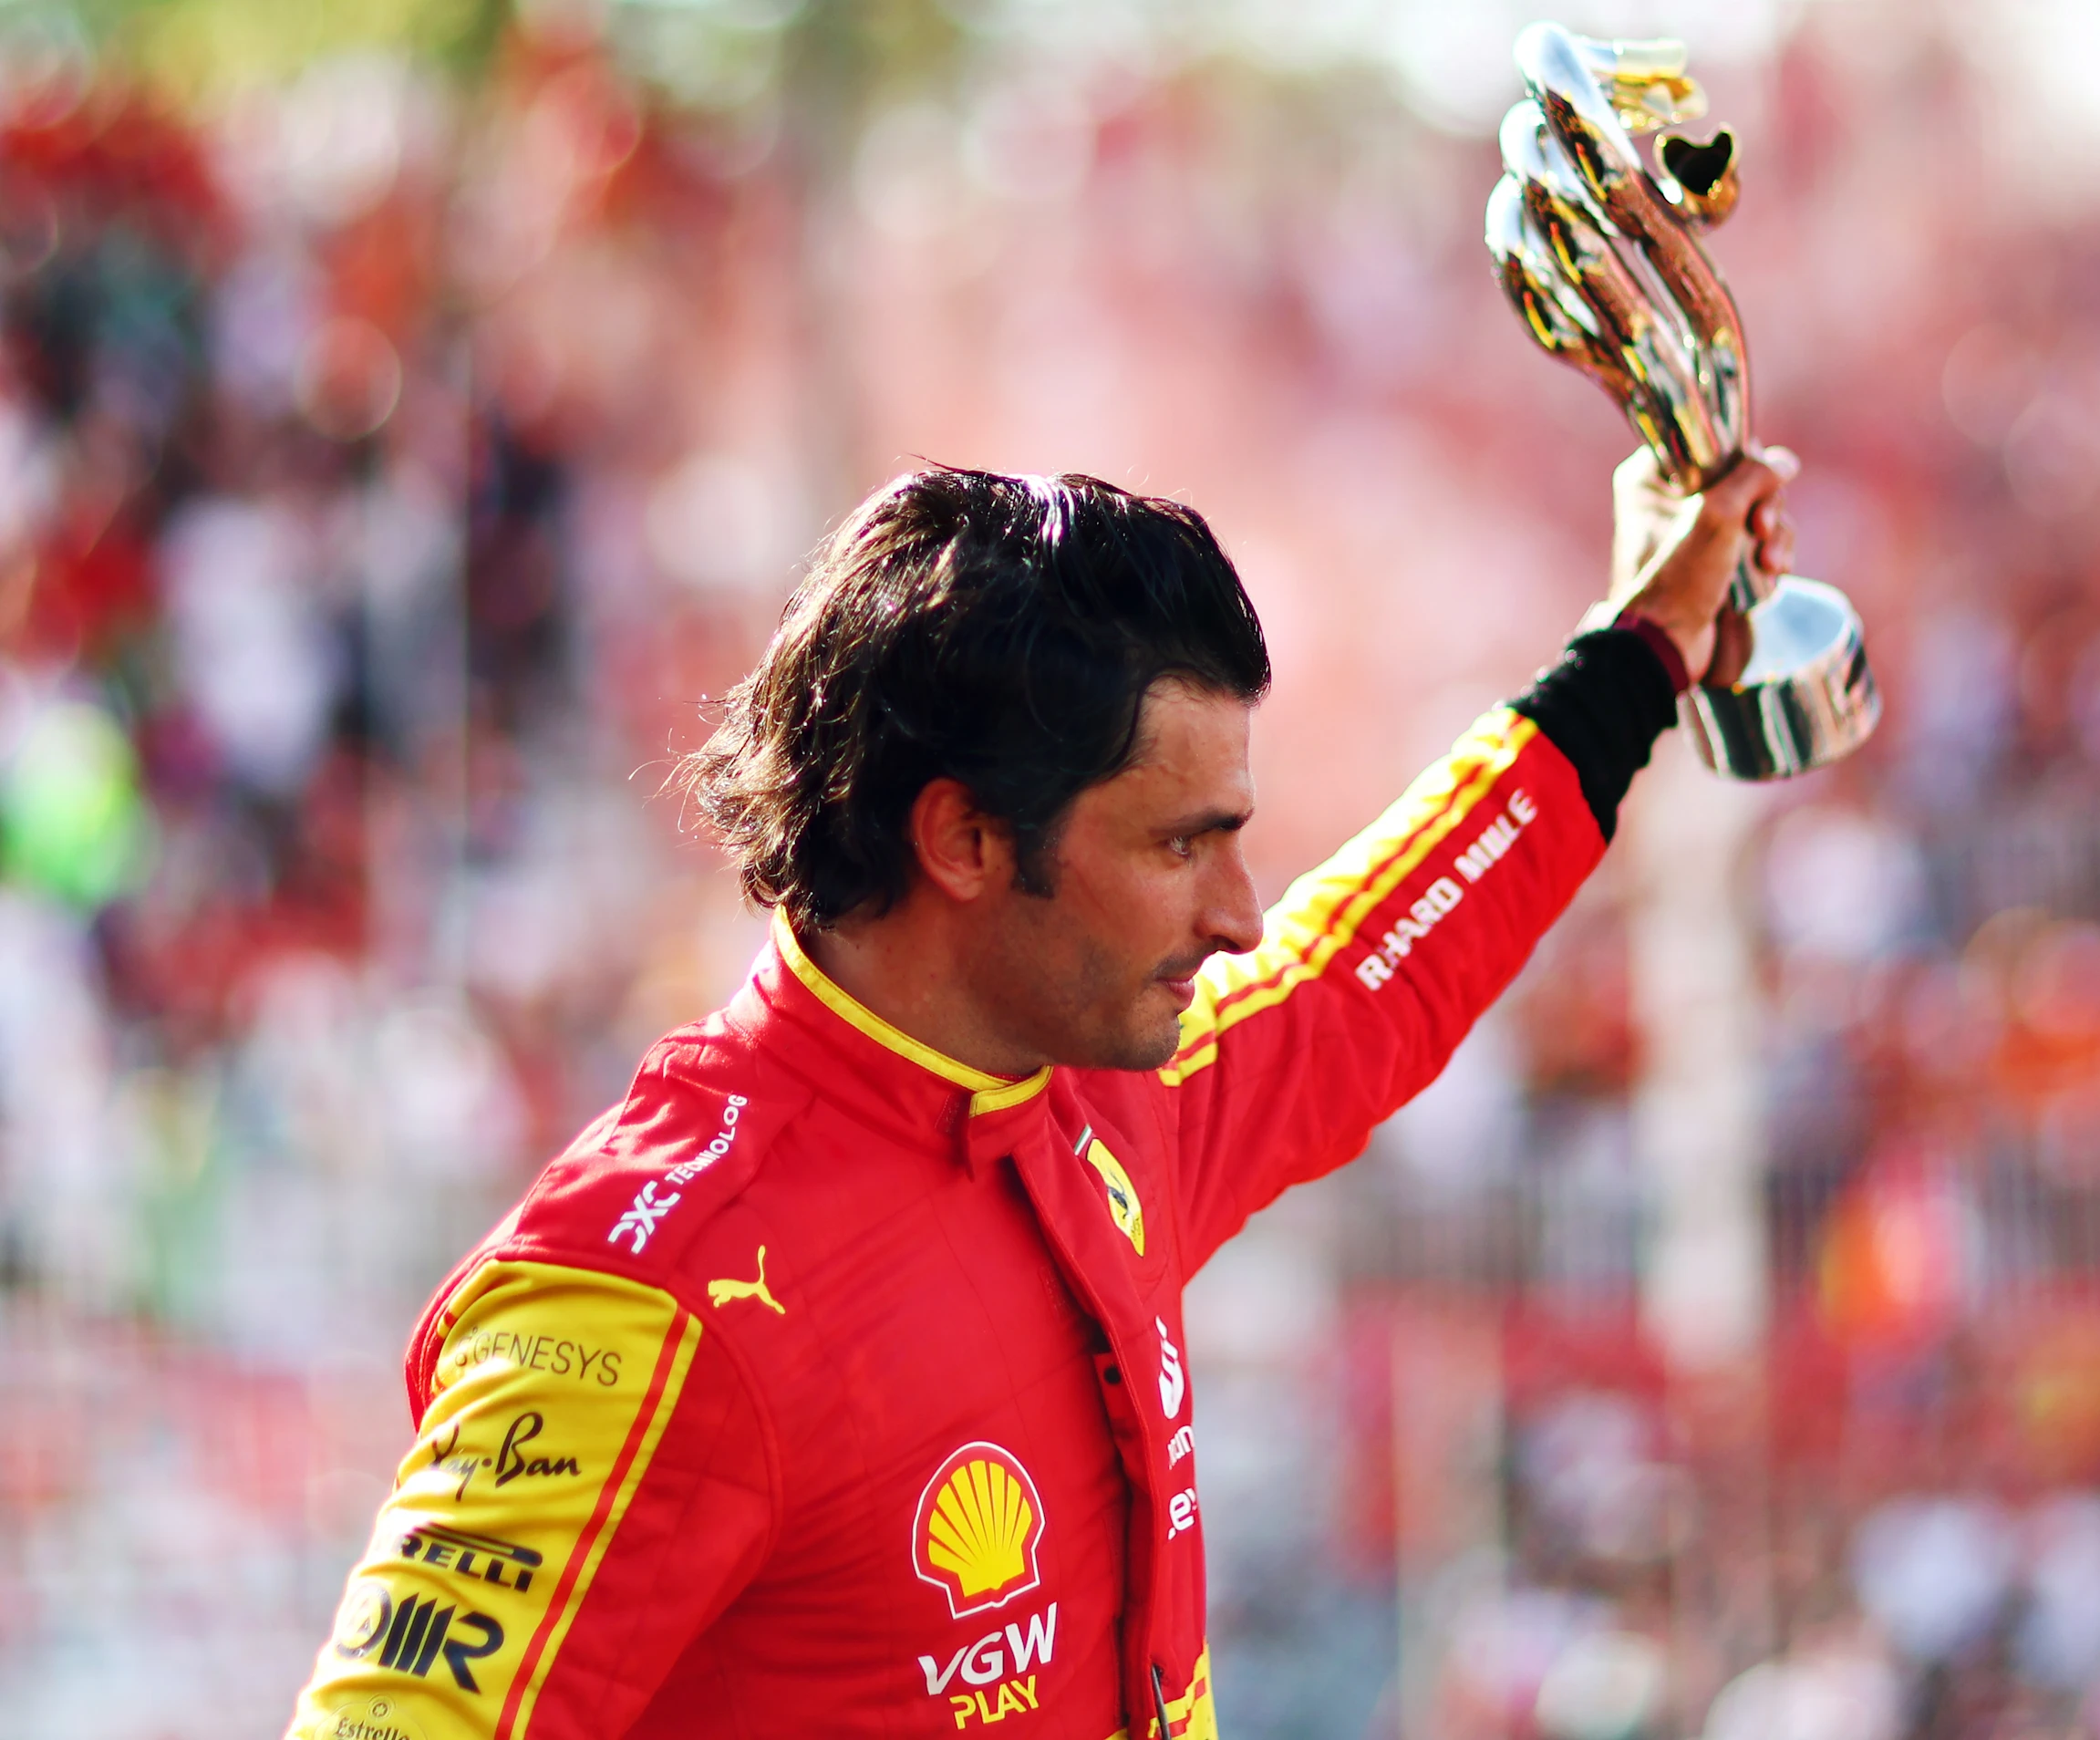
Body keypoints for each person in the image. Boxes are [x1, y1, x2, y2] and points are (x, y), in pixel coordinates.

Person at [283, 449, 1792, 1740]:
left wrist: (1642, 651)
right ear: (962, 840)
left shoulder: (1094, 1086)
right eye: (1177, 846)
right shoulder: (645, 1294)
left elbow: (1366, 973)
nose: (1240, 914)